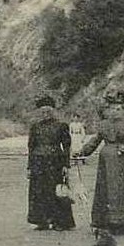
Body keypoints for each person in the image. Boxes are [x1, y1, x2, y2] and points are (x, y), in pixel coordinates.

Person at [74, 89, 124, 234]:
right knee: (108, 191)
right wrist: (82, 152)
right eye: (113, 108)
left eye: (119, 108)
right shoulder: (104, 124)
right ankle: (107, 221)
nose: (115, 111)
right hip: (107, 164)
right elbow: (95, 141)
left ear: (123, 109)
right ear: (108, 109)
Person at [27, 95, 75, 231]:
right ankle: (41, 221)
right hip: (38, 162)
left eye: (48, 111)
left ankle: (59, 221)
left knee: (56, 191)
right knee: (38, 192)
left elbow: (66, 146)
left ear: (53, 111)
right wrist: (29, 167)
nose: (45, 114)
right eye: (43, 111)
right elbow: (31, 147)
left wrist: (66, 165)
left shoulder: (61, 126)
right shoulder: (35, 127)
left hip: (55, 162)